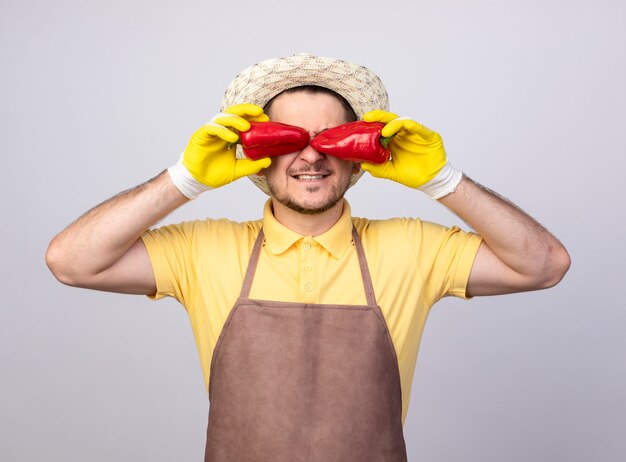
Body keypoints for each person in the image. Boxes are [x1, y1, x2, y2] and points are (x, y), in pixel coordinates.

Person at [46, 53, 570, 462]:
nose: (312, 156)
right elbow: (71, 261)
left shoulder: (413, 247)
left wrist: (443, 181)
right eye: (290, 138)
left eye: (330, 139)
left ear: (358, 151)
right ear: (258, 153)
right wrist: (184, 180)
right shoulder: (202, 249)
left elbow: (545, 264)